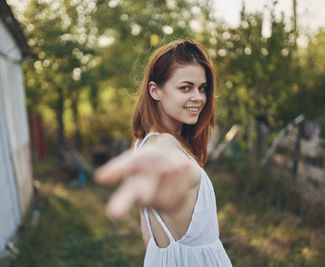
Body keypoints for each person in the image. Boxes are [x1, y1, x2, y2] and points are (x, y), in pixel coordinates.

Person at [95, 38, 233, 266]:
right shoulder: (162, 145)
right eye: (185, 87)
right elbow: (169, 158)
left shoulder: (141, 142)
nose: (198, 97)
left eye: (202, 88)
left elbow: (147, 236)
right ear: (155, 91)